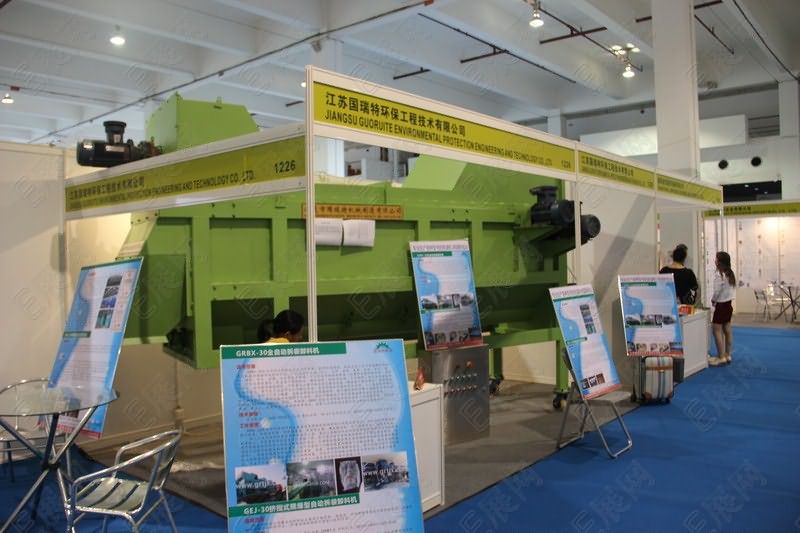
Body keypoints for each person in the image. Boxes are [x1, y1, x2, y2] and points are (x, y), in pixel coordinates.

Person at [709, 251, 736, 366]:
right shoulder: (730, 273)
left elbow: (717, 291)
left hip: (721, 305)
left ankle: (721, 357)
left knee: (716, 330)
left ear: (720, 262)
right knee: (727, 330)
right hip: (728, 305)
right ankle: (727, 355)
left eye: (716, 259)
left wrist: (713, 300)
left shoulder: (719, 274)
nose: (715, 260)